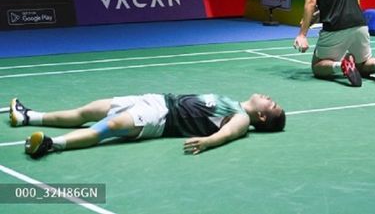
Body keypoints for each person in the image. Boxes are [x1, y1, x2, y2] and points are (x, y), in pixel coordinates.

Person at [10, 92, 285, 159]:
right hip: (155, 100)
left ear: (261, 118)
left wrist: (207, 142)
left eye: (271, 105)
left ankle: (51, 144)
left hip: (161, 120)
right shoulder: (235, 103)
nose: (269, 99)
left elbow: (227, 134)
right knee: (87, 110)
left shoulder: (242, 118)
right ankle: (30, 117)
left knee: (110, 126)